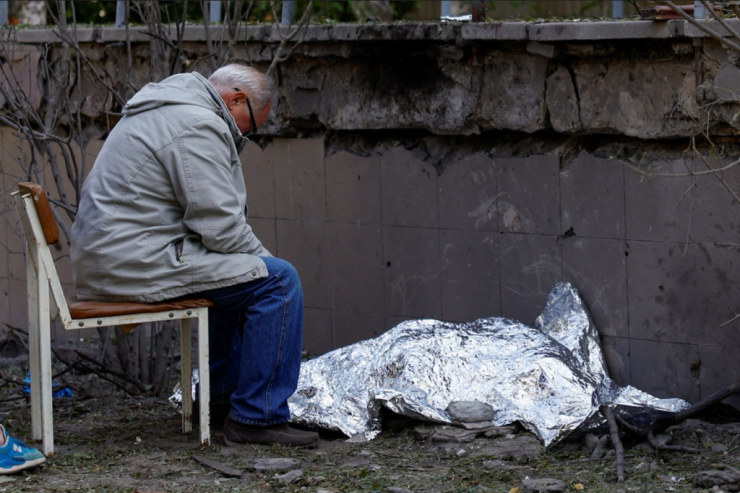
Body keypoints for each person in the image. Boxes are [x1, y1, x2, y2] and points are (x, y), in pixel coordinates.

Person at [70, 64, 319, 447]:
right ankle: (257, 418)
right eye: (251, 125)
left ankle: (219, 402)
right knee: (278, 282)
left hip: (118, 255)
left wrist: (251, 266)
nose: (247, 134)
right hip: (130, 260)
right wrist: (264, 264)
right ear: (236, 99)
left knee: (239, 278)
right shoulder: (196, 123)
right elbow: (219, 225)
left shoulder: (169, 105)